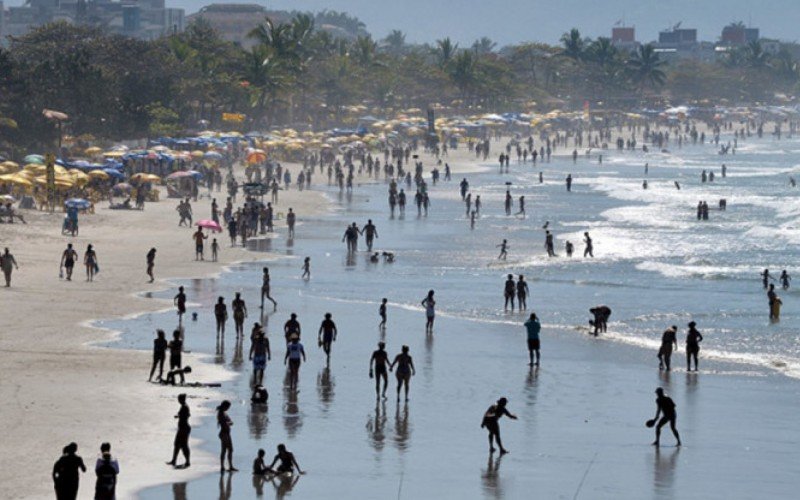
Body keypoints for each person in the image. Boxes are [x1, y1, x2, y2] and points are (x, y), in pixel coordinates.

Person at [167, 394, 191, 469]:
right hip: (182, 428)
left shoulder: (185, 407)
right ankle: (174, 460)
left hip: (184, 428)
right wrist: (178, 416)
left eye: (179, 399)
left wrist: (179, 416)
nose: (178, 400)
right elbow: (186, 415)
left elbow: (187, 415)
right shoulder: (183, 406)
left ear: (182, 399)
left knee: (184, 445)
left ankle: (187, 461)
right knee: (177, 444)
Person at [216, 401, 237, 472]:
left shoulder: (223, 413)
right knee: (229, 450)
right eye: (228, 407)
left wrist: (229, 422)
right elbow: (227, 423)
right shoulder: (221, 414)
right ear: (225, 406)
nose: (228, 408)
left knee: (225, 450)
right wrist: (229, 422)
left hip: (225, 433)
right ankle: (229, 466)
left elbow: (229, 422)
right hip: (224, 433)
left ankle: (224, 466)